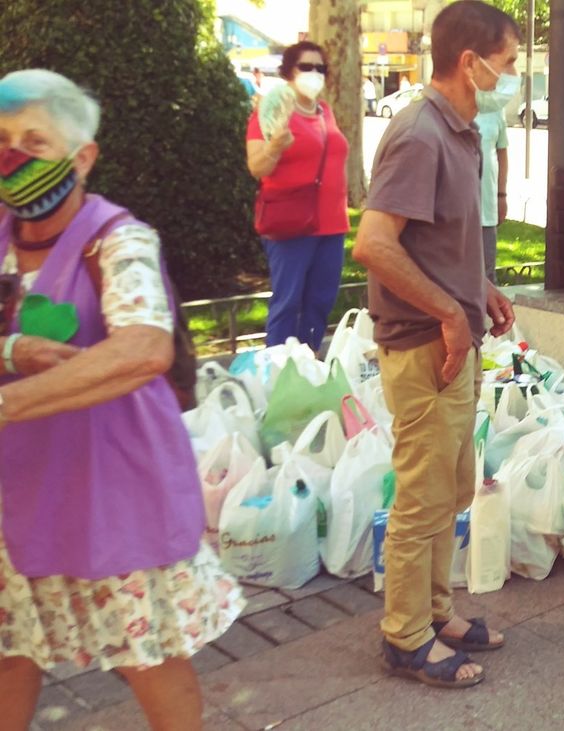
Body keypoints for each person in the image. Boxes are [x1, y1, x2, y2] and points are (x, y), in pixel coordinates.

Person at [0, 69, 242, 729]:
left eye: (33, 141)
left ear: (82, 158)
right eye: (1, 138)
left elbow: (143, 348)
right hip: (15, 493)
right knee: (8, 649)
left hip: (109, 486)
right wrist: (10, 353)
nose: (12, 155)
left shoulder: (119, 239)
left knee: (145, 654)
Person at [352, 0, 520, 689]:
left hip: (453, 334)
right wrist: (452, 313)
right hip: (425, 343)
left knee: (451, 485)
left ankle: (436, 611)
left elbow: (438, 236)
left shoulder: (464, 127)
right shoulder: (420, 133)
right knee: (423, 495)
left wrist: (478, 288)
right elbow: (374, 244)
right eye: (508, 64)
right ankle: (405, 635)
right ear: (469, 62)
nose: (513, 77)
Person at [245, 41, 350, 350]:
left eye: (321, 68)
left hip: (332, 225)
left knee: (320, 304)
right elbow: (257, 167)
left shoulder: (325, 112)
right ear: (288, 71)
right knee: (288, 303)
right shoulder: (271, 111)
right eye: (306, 66)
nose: (314, 73)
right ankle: (277, 376)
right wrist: (276, 145)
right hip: (291, 223)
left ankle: (306, 371)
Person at [474, 63, 518, 284]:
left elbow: (502, 153)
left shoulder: (495, 110)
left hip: (487, 207)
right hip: (459, 213)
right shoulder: (456, 109)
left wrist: (502, 195)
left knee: (486, 276)